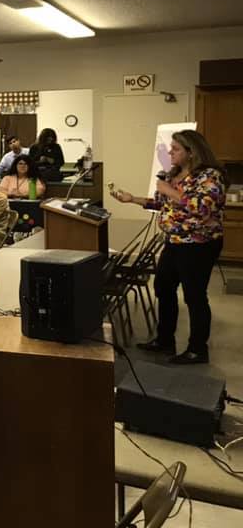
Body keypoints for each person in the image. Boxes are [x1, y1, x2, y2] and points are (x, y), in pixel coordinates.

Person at [111, 129, 225, 364]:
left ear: (191, 152)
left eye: (175, 149)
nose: (170, 153)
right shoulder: (175, 174)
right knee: (163, 287)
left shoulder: (210, 176)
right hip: (174, 241)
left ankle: (197, 350)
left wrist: (169, 190)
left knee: (194, 296)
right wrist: (132, 199)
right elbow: (163, 203)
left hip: (198, 244)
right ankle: (165, 340)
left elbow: (201, 208)